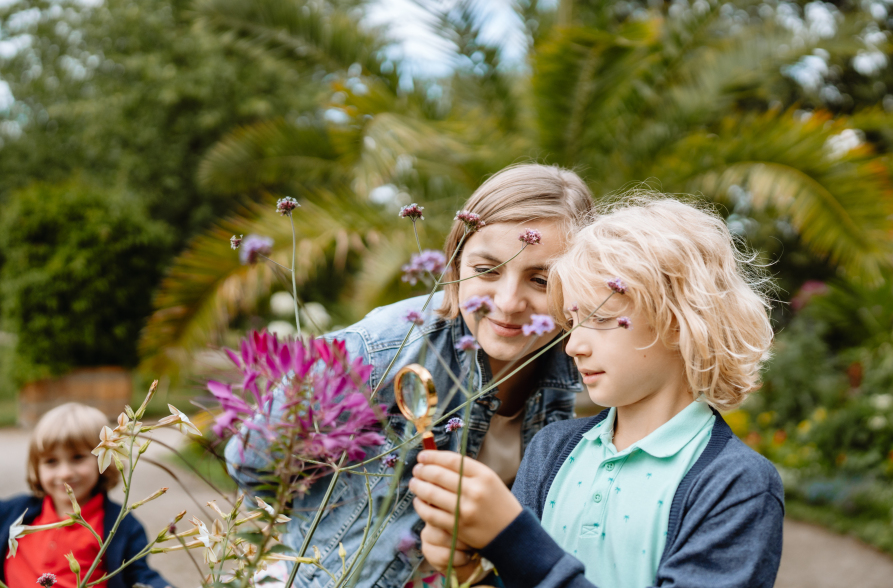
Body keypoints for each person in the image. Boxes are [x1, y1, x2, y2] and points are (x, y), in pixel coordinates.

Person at [225, 163, 594, 588]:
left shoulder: (587, 366)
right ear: (455, 261)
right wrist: (312, 555)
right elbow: (251, 460)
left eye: (541, 279)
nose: (509, 303)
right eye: (487, 270)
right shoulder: (378, 350)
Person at [410, 196, 784, 588]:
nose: (574, 346)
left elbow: (532, 563)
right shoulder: (552, 449)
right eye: (572, 321)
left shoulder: (737, 484)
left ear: (678, 322)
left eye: (601, 318)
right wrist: (473, 573)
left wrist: (512, 538)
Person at [0, 402, 171, 588]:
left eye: (78, 457)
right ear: (36, 467)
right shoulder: (12, 512)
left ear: (105, 458)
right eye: (51, 461)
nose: (65, 473)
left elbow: (139, 574)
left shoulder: (121, 525)